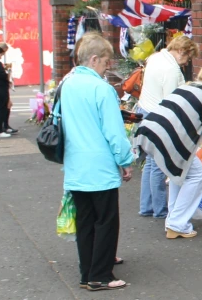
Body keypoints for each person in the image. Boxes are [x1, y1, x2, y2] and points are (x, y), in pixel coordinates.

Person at [60, 32, 134, 291]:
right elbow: (114, 132)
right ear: (93, 59)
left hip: (75, 163)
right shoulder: (101, 89)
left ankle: (86, 272)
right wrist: (125, 160)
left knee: (85, 222)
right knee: (106, 221)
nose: (107, 67)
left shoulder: (67, 84)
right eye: (105, 62)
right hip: (100, 165)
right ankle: (101, 275)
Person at [133, 65, 202, 239]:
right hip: (169, 139)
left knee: (178, 174)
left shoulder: (185, 87)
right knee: (197, 175)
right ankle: (177, 223)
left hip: (150, 131)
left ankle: (173, 220)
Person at [135, 36, 197, 218]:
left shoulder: (155, 58)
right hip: (158, 118)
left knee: (149, 163)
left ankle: (146, 206)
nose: (187, 62)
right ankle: (160, 210)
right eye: (188, 57)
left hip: (144, 111)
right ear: (181, 51)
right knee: (158, 166)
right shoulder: (171, 70)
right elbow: (171, 104)